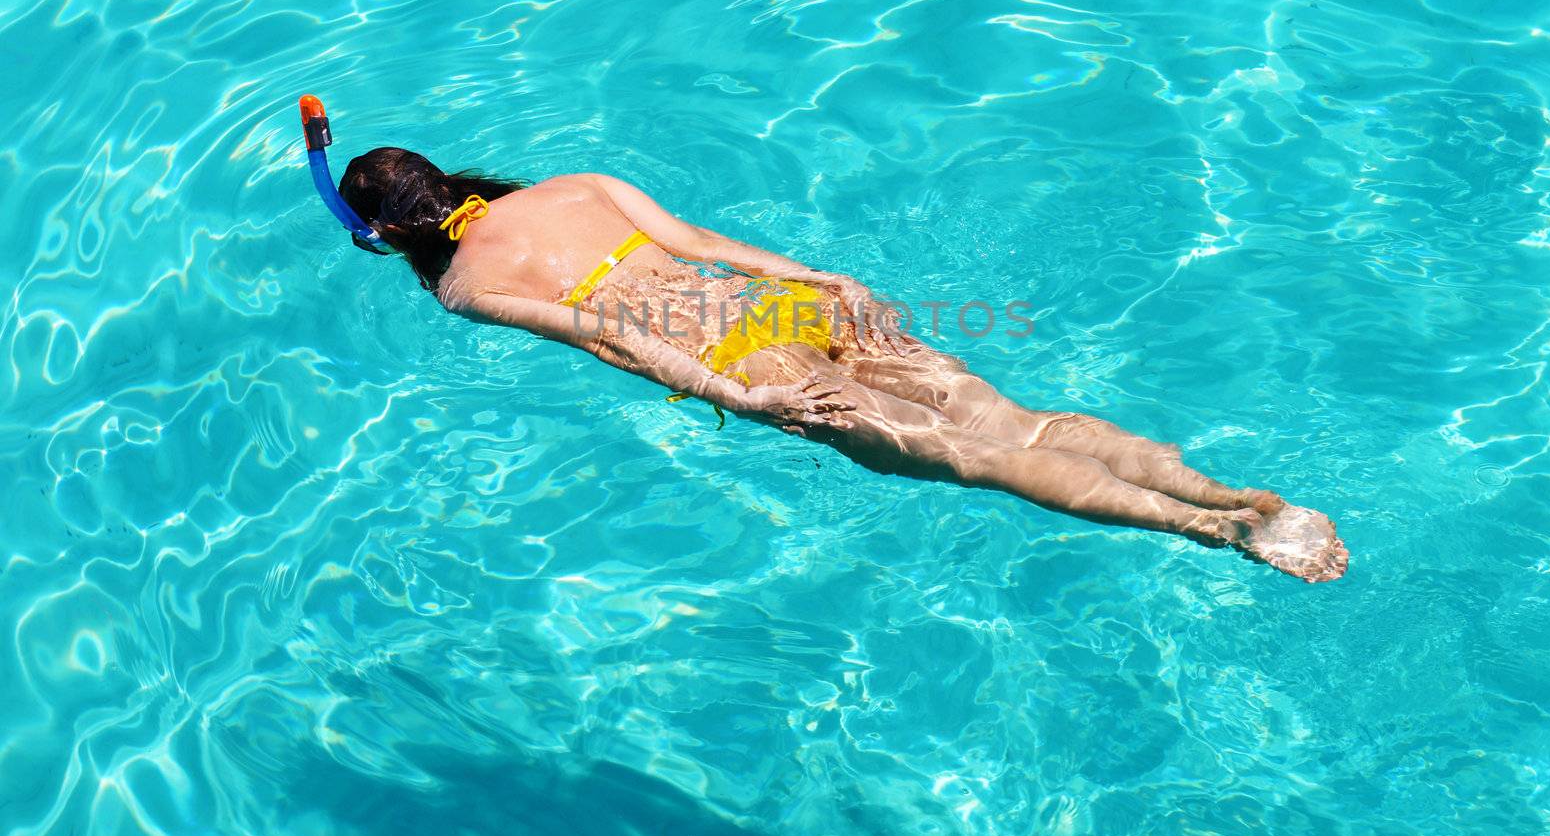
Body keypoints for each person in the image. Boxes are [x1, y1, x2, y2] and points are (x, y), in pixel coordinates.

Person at [334, 146, 1348, 582]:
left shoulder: (466, 287)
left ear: (381, 229)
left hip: (741, 353)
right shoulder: (575, 184)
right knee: (1015, 417)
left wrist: (744, 394)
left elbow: (618, 339)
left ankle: (1211, 528)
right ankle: (1228, 489)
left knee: (981, 459)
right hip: (784, 302)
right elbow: (703, 241)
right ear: (443, 174)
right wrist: (827, 276)